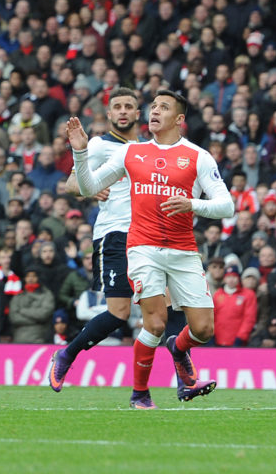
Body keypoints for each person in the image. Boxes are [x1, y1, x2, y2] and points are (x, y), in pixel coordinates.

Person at [67, 89, 234, 409]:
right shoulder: (131, 153)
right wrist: (80, 153)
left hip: (184, 250)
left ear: (179, 119)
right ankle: (140, 394)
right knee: (154, 323)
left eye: (164, 107)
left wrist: (192, 204)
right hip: (142, 246)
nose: (154, 111)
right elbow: (88, 187)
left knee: (203, 329)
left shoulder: (198, 156)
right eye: (153, 106)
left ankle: (179, 348)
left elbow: (226, 205)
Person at [49, 87, 140, 390]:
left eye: (129, 106)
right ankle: (67, 355)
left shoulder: (149, 149)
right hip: (115, 233)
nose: (124, 111)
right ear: (110, 114)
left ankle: (177, 380)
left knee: (163, 311)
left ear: (138, 114)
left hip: (149, 236)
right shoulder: (100, 145)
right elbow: (72, 184)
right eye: (118, 107)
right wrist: (90, 187)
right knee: (119, 313)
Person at [212, 265, 258, 346]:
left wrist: (241, 337)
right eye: (228, 276)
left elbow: (249, 319)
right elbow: (212, 317)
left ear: (239, 278)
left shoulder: (248, 294)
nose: (231, 279)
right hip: (218, 340)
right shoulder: (218, 294)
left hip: (238, 341)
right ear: (225, 278)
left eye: (234, 276)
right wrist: (211, 335)